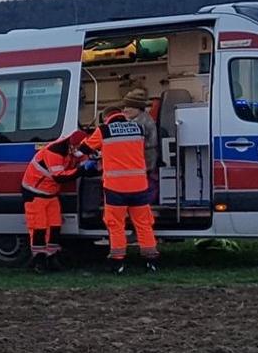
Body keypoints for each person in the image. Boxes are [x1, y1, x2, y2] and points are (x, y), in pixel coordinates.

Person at [83, 89, 160, 273]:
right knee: (143, 224)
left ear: (106, 118)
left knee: (116, 225)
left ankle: (118, 262)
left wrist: (99, 155)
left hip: (115, 189)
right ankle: (151, 261)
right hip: (139, 186)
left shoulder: (104, 130)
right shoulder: (139, 128)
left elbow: (84, 148)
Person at [20, 129, 89, 272]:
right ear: (71, 144)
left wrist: (91, 166)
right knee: (39, 227)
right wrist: (83, 170)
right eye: (76, 148)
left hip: (50, 193)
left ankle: (51, 258)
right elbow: (60, 177)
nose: (78, 152)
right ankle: (39, 261)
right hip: (34, 192)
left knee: (55, 226)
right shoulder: (54, 151)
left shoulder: (73, 149)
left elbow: (82, 161)